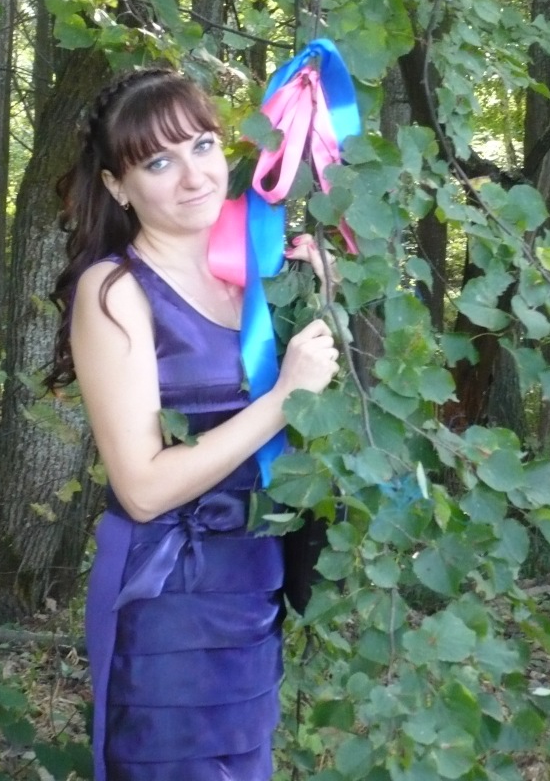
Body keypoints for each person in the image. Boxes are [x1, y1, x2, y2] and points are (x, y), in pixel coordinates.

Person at [46, 67, 340, 781]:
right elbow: (142, 489)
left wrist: (320, 298)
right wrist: (284, 397)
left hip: (254, 585)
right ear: (118, 186)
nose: (193, 176)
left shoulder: (257, 275)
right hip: (165, 600)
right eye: (158, 162)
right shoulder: (114, 291)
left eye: (203, 146)